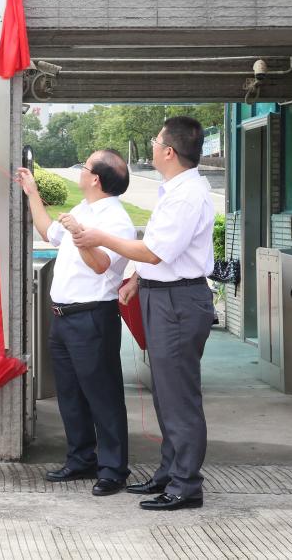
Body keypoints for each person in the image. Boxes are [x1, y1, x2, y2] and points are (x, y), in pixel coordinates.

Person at [70, 115, 216, 511]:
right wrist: (136, 278)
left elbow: (153, 252)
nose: (151, 145)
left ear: (168, 151)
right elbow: (161, 254)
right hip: (163, 295)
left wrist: (100, 237)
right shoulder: (176, 190)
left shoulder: (186, 195)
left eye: (155, 140)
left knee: (179, 395)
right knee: (166, 394)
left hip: (177, 302)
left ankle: (186, 485)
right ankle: (170, 471)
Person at [17, 149, 135, 497]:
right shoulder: (84, 209)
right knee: (70, 394)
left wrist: (81, 234)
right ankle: (81, 458)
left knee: (103, 395)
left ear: (95, 178)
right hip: (64, 316)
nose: (81, 170)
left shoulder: (116, 220)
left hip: (93, 317)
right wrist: (32, 192)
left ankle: (113, 469)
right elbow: (48, 232)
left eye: (85, 166)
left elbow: (101, 265)